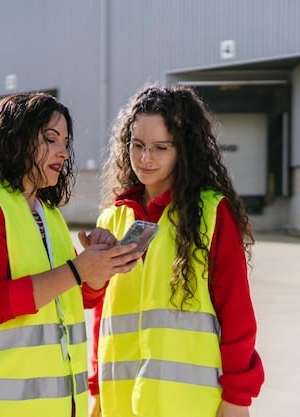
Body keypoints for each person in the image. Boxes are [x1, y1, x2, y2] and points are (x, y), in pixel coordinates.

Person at [0, 92, 140, 417]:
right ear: (15, 140)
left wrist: (97, 270)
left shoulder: (49, 214)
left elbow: (73, 296)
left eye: (65, 142)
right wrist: (77, 270)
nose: (63, 151)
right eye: (50, 139)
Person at [90, 84, 265, 417]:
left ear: (183, 149)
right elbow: (102, 315)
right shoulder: (112, 219)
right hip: (120, 402)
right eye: (137, 145)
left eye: (160, 147)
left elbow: (236, 311)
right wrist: (98, 387)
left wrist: (238, 397)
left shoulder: (212, 213)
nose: (145, 158)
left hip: (188, 406)